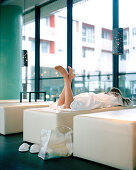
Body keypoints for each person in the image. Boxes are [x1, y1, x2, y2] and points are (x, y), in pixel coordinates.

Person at [53, 65, 132, 110]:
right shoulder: (112, 98)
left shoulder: (118, 98)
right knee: (68, 105)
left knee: (61, 104)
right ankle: (67, 78)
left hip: (91, 98)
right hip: (92, 99)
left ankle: (68, 79)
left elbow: (130, 105)